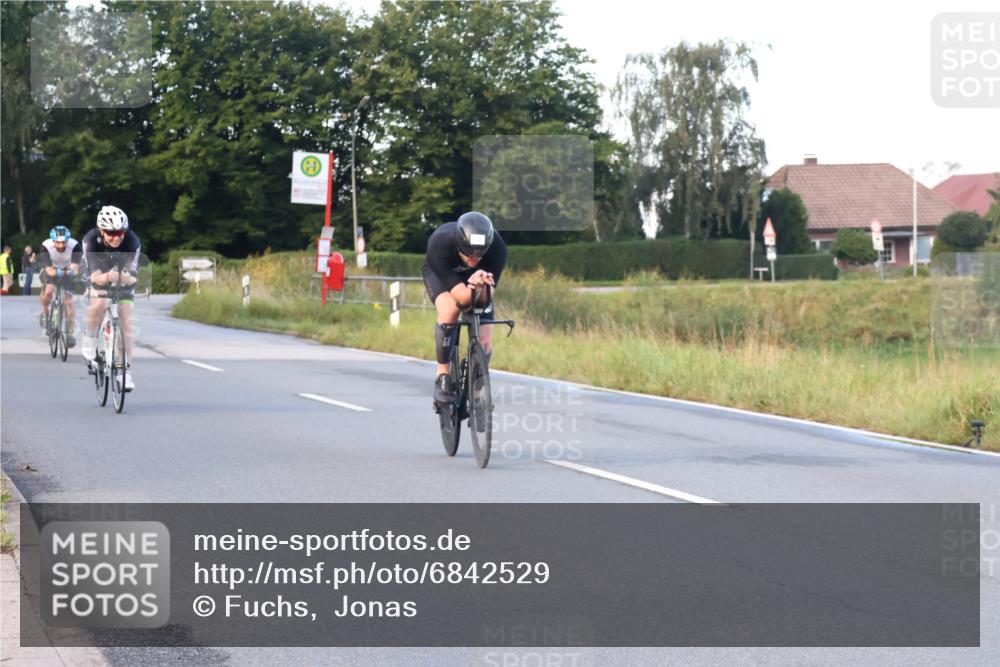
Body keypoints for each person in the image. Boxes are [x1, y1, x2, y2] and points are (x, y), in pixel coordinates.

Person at [422, 211, 507, 404]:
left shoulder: (498, 248)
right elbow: (462, 299)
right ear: (459, 243)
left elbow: (485, 300)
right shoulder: (440, 243)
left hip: (478, 281)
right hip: (443, 275)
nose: (474, 257)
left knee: (484, 342)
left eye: (480, 252)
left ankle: (476, 394)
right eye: (468, 251)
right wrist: (470, 289)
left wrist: (481, 287)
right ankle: (442, 374)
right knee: (450, 310)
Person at [80, 206, 141, 391]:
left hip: (121, 276)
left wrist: (123, 277)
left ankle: (125, 373)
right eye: (110, 233)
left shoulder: (132, 241)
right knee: (100, 300)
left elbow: (132, 277)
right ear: (101, 231)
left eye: (119, 232)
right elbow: (95, 277)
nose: (116, 237)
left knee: (127, 319)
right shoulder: (91, 240)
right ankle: (89, 338)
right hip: (96, 273)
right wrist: (107, 277)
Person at [37, 227, 82, 346]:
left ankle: (69, 333)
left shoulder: (75, 246)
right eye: (58, 242)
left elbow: (75, 268)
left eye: (64, 242)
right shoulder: (46, 246)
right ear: (53, 241)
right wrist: (60, 271)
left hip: (68, 271)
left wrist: (70, 271)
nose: (61, 245)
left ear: (68, 240)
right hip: (50, 270)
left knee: (69, 303)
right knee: (49, 290)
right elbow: (50, 271)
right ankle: (45, 312)